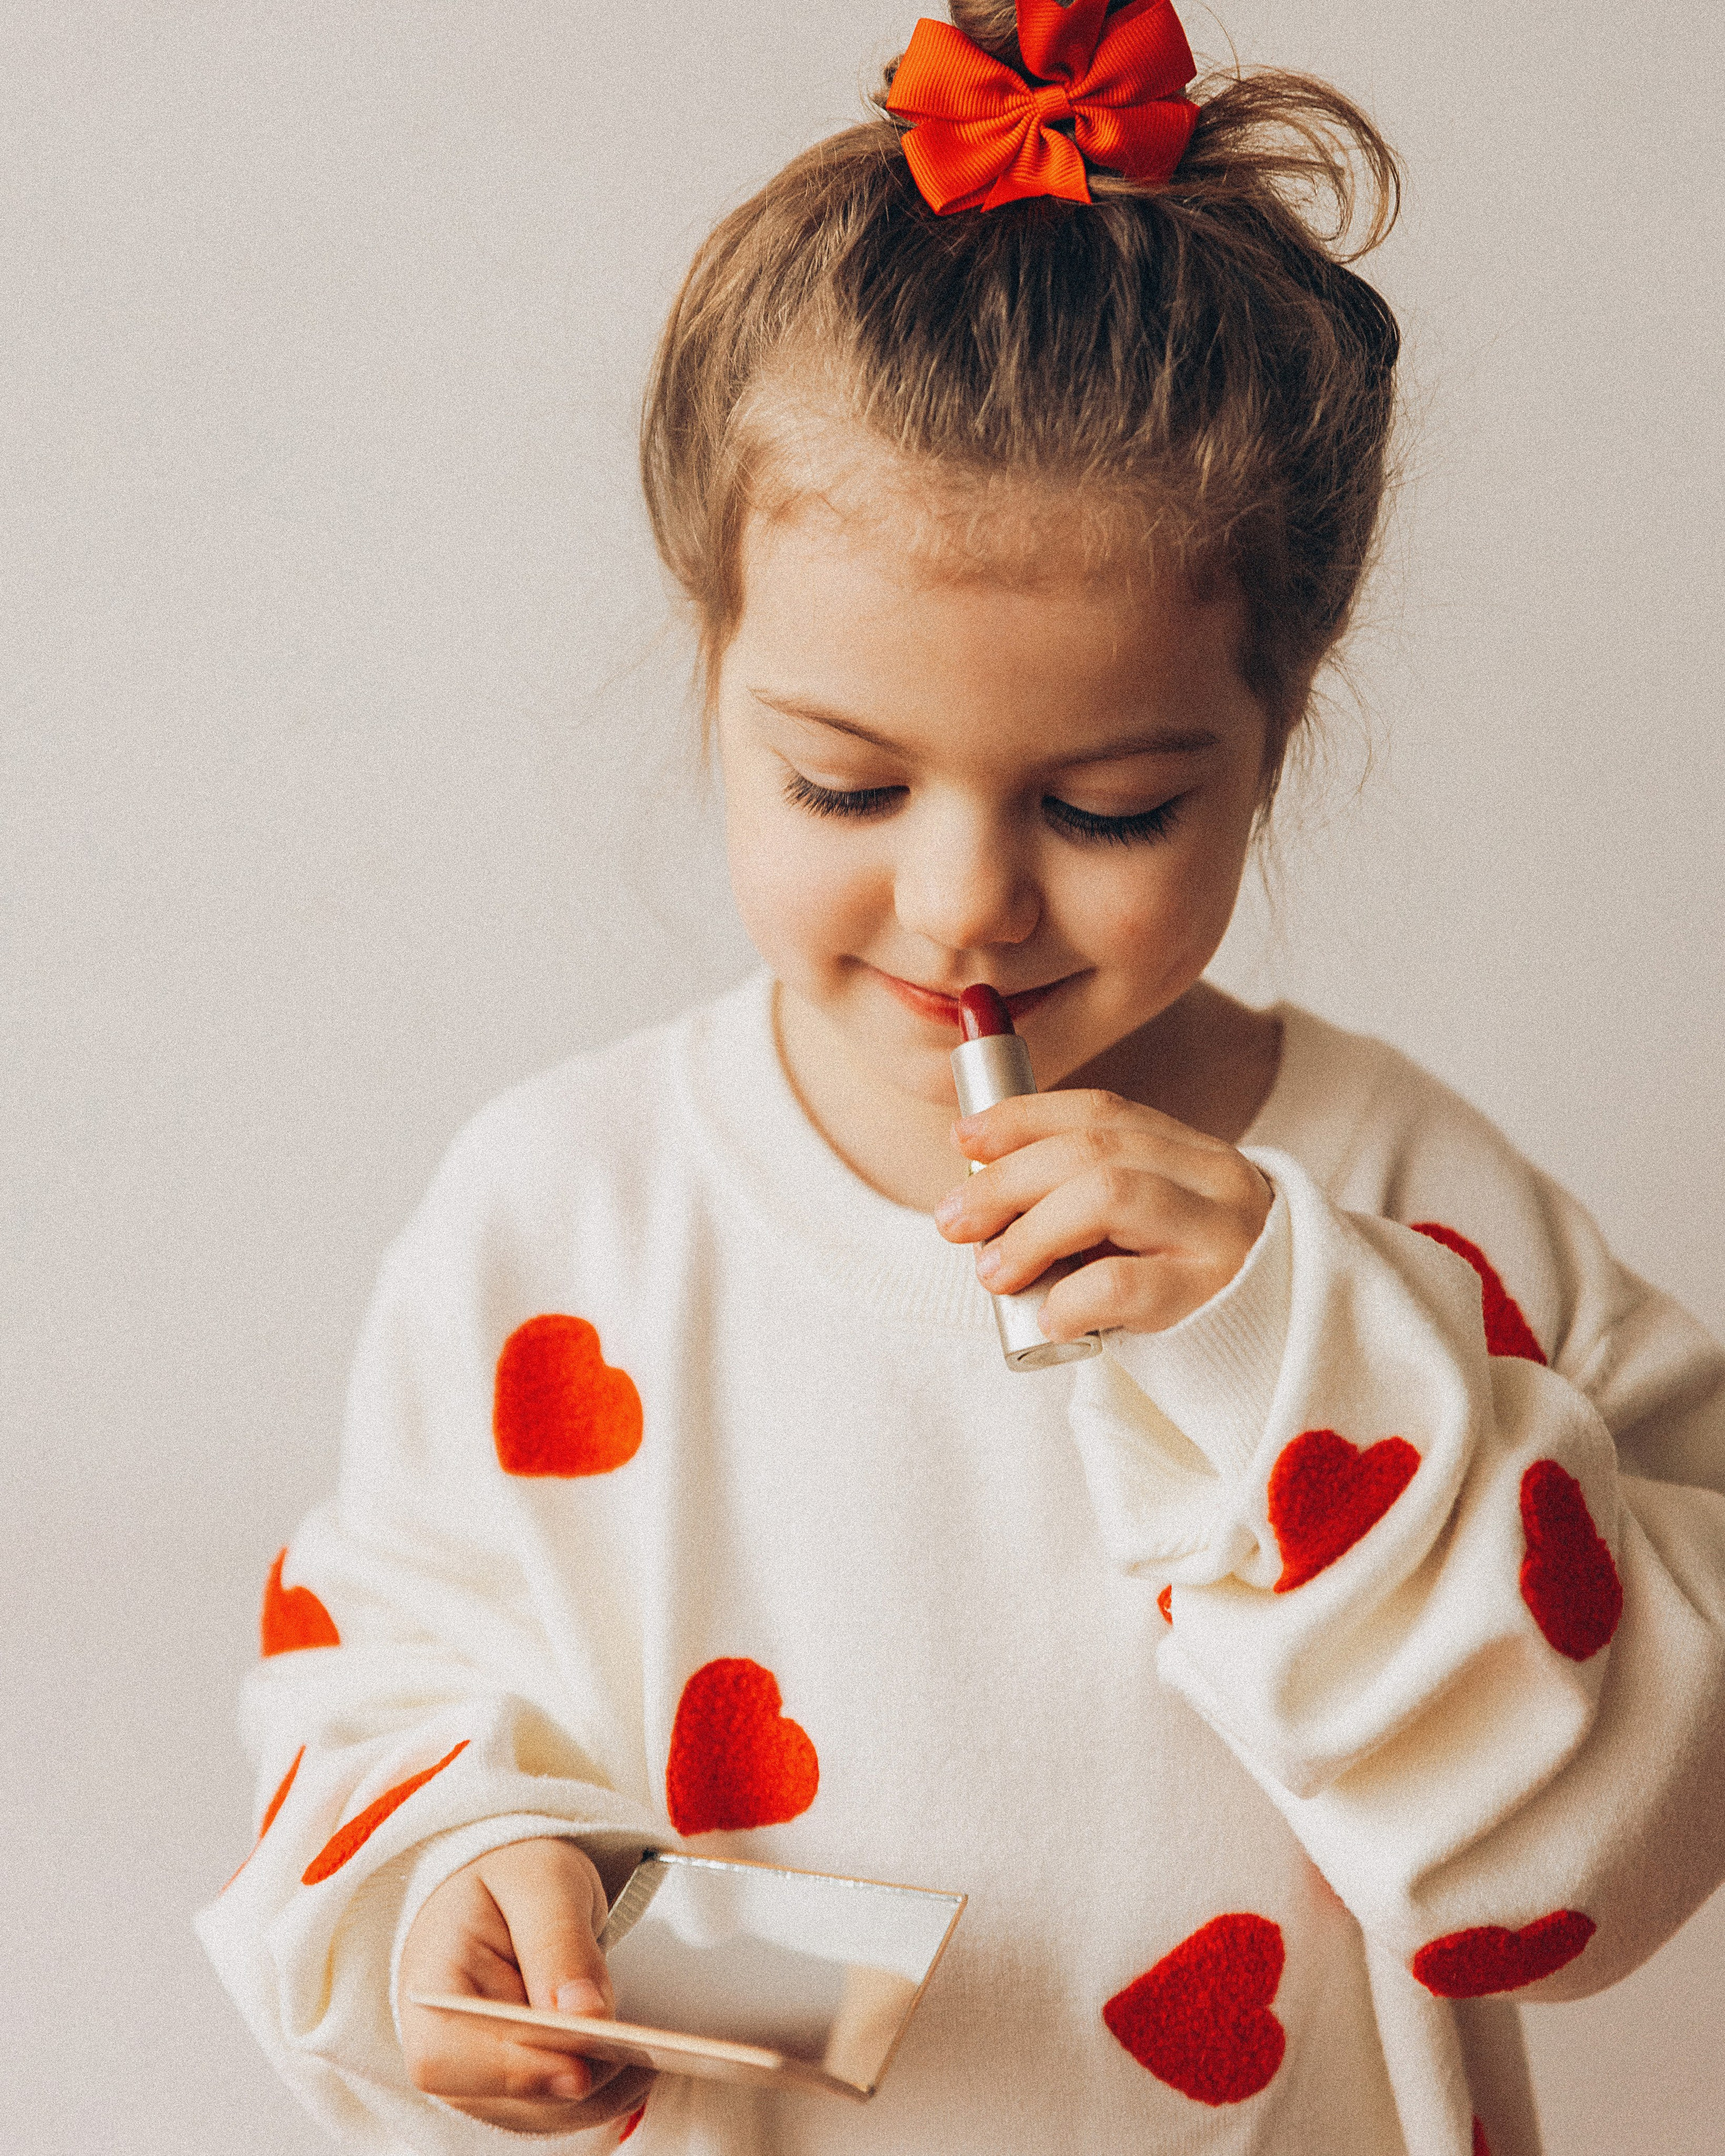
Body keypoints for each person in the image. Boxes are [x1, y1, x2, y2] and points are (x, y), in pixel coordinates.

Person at [195, 4, 1725, 2152]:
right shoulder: (565, 1213)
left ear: (1276, 734)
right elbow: (381, 1682)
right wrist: (462, 1889)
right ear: (711, 667)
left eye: (1105, 810)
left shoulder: (1404, 1188)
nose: (963, 902)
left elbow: (1620, 1837)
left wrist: (1297, 1348)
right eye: (842, 780)